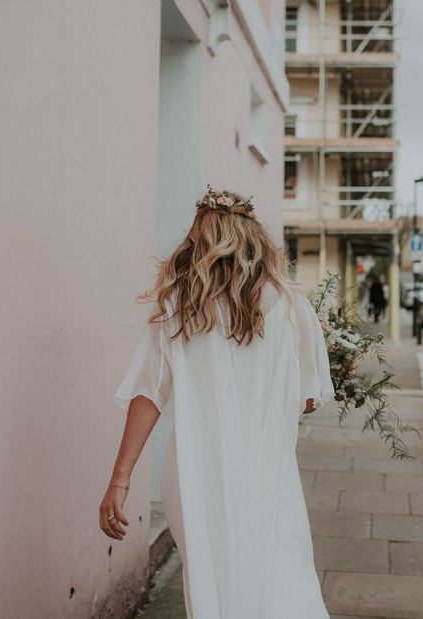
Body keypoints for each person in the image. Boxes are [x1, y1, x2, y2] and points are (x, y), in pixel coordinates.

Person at [98, 187, 335, 618]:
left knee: (212, 583)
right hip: (268, 471)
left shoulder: (177, 306)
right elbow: (307, 400)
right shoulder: (291, 306)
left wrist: (121, 479)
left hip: (195, 472)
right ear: (254, 240)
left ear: (199, 240)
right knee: (282, 574)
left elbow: (148, 393)